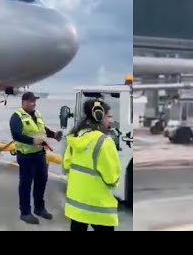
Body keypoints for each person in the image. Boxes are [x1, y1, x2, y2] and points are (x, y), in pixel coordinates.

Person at [63, 99, 121, 231]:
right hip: (98, 206)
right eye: (109, 117)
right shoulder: (104, 142)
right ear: (99, 116)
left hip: (77, 204)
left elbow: (66, 166)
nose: (111, 121)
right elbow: (111, 178)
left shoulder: (75, 137)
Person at [9, 92, 63, 225]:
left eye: (34, 101)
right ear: (24, 102)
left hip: (40, 155)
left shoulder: (37, 114)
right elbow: (16, 135)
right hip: (26, 156)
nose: (33, 103)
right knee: (26, 184)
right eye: (30, 101)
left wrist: (53, 134)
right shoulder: (16, 117)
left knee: (41, 181)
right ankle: (25, 212)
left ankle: (39, 208)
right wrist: (32, 141)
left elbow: (42, 130)